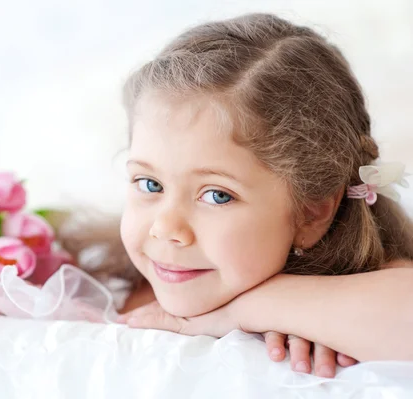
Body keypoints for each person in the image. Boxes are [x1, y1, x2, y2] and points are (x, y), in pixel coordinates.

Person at [58, 13, 413, 378]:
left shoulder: (373, 294)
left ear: (311, 212)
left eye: (216, 195)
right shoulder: (99, 278)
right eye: (150, 184)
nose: (165, 228)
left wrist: (249, 310)